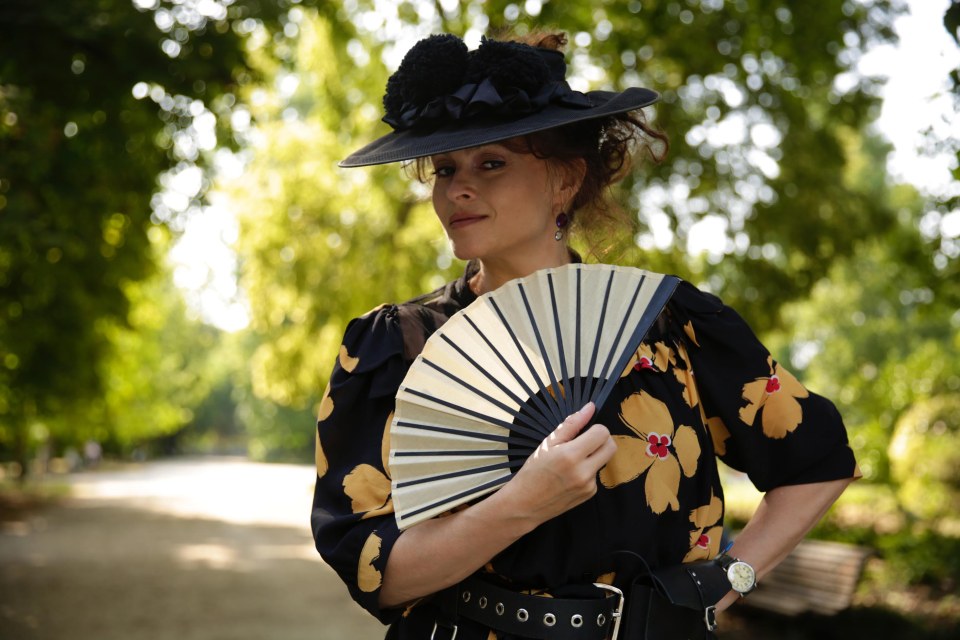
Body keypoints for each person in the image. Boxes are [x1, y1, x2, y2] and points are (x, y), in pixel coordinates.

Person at [312, 31, 860, 640]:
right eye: (445, 170)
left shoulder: (669, 323)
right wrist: (524, 503)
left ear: (566, 181)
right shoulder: (398, 346)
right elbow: (376, 573)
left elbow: (816, 463)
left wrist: (727, 583)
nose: (456, 190)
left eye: (490, 163)